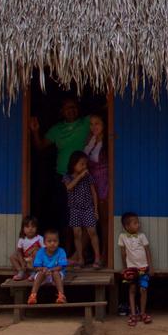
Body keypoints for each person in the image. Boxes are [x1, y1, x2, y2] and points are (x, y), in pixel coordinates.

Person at [31, 97, 91, 176]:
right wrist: (35, 131)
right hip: (62, 174)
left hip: (83, 173)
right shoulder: (56, 129)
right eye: (67, 107)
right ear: (62, 111)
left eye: (73, 106)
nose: (71, 109)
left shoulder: (87, 122)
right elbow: (40, 146)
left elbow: (103, 116)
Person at [63, 151, 103, 268]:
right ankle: (80, 259)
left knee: (92, 232)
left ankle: (97, 258)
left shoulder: (88, 176)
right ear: (73, 164)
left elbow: (94, 193)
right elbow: (69, 187)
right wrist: (80, 176)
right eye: (82, 164)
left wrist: (95, 210)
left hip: (88, 208)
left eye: (85, 164)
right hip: (75, 209)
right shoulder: (67, 176)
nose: (84, 167)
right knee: (77, 234)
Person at [118, 211, 152, 326]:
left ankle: (142, 313)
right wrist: (124, 268)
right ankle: (133, 314)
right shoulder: (122, 237)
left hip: (143, 268)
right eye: (135, 223)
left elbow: (147, 251)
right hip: (131, 269)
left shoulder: (142, 236)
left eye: (138, 223)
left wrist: (150, 267)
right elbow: (123, 254)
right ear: (127, 226)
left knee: (143, 289)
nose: (138, 225)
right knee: (132, 290)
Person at [83, 114, 110, 248]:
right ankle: (81, 254)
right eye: (91, 124)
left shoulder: (107, 142)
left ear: (104, 125)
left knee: (104, 220)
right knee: (89, 219)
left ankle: (105, 254)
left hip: (103, 183)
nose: (94, 127)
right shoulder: (90, 140)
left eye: (97, 123)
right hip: (90, 182)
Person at [26, 229, 69, 304]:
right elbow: (36, 267)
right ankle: (33, 295)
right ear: (44, 243)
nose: (52, 243)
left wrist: (51, 270)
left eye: (55, 241)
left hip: (56, 275)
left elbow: (61, 266)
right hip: (44, 275)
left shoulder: (61, 251)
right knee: (40, 273)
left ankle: (62, 296)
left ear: (58, 241)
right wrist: (43, 269)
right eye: (49, 241)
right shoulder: (40, 252)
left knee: (56, 273)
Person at [9, 215, 44, 281]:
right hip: (26, 260)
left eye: (33, 227)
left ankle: (34, 272)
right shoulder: (22, 239)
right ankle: (21, 272)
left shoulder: (39, 238)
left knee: (36, 252)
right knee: (12, 256)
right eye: (27, 227)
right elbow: (19, 251)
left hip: (36, 261)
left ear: (36, 228)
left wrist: (35, 249)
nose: (30, 229)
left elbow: (45, 251)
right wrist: (22, 262)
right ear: (23, 228)